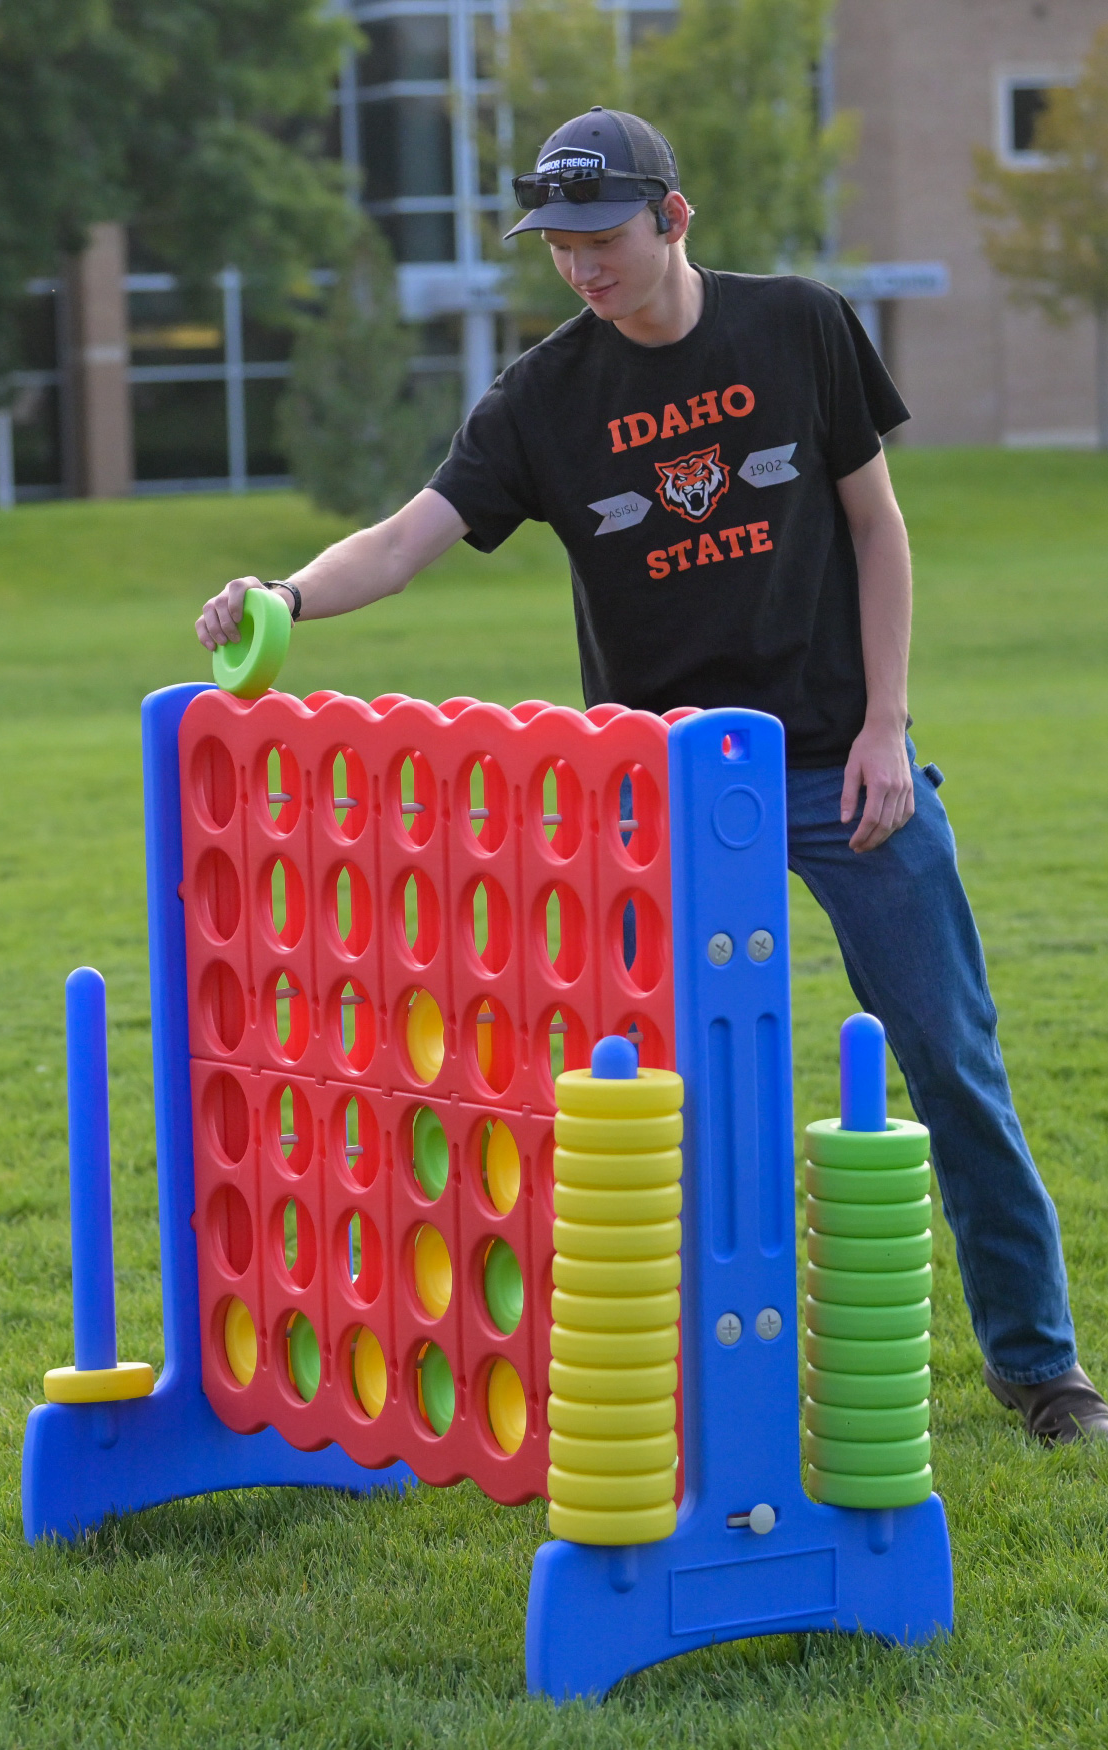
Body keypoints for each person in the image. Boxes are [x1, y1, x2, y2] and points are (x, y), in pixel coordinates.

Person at [197, 106, 1106, 1448]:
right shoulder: (540, 395)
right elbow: (403, 539)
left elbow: (876, 528)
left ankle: (1042, 1370)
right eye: (557, 244)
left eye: (601, 235)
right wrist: (279, 593)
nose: (579, 266)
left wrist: (884, 727)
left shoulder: (797, 324)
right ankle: (662, 1377)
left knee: (949, 1058)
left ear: (671, 217)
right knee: (639, 1093)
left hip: (838, 770)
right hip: (653, 802)